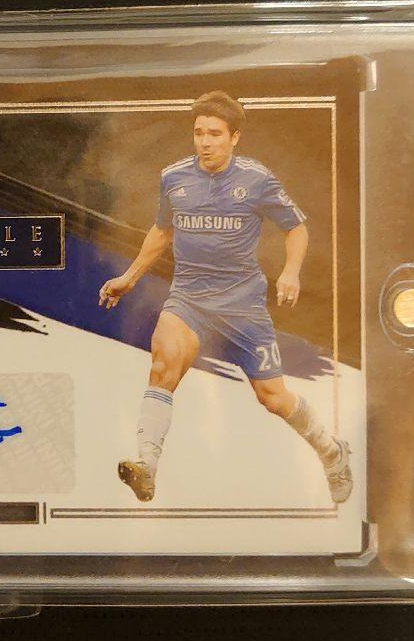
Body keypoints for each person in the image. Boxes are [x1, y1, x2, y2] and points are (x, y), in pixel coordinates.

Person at [98, 91, 352, 505]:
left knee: (274, 399)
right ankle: (147, 466)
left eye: (215, 134)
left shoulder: (257, 180)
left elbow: (297, 228)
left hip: (242, 307)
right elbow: (162, 231)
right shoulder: (174, 178)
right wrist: (129, 277)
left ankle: (331, 451)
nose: (205, 142)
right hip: (189, 301)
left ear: (234, 137)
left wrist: (291, 271)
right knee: (162, 366)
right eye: (199, 133)